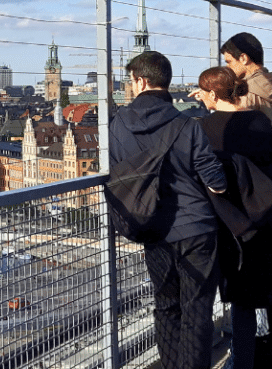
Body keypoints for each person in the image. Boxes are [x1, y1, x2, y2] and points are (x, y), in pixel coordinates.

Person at [110, 51, 227, 369]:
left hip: (153, 230)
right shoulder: (187, 123)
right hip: (197, 231)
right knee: (197, 311)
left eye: (131, 81)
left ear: (140, 81)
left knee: (165, 307)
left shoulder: (117, 124)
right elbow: (215, 182)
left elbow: (116, 176)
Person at [195, 66, 272, 368]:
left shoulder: (203, 129)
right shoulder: (260, 120)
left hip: (233, 227)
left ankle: (243, 361)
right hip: (269, 218)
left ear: (212, 93)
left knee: (242, 302)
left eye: (201, 91)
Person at [218, 32, 272, 206]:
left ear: (243, 58)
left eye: (229, 62)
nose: (226, 68)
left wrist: (215, 103)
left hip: (266, 179)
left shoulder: (247, 93)